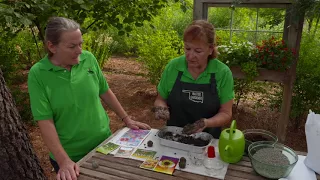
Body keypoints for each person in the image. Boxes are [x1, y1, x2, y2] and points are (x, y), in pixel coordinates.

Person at [28, 17, 151, 180]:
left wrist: (126, 118)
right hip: (70, 157)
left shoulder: (89, 59)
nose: (79, 50)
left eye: (80, 44)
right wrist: (63, 160)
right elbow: (45, 121)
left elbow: (104, 91)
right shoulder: (38, 74)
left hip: (104, 145)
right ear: (52, 46)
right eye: (72, 46)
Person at [154, 20, 234, 138]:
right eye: (187, 49)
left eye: (198, 51)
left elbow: (226, 113)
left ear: (210, 49)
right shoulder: (173, 67)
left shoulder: (222, 73)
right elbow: (160, 99)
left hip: (207, 141)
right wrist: (161, 108)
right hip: (174, 137)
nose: (190, 56)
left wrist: (206, 123)